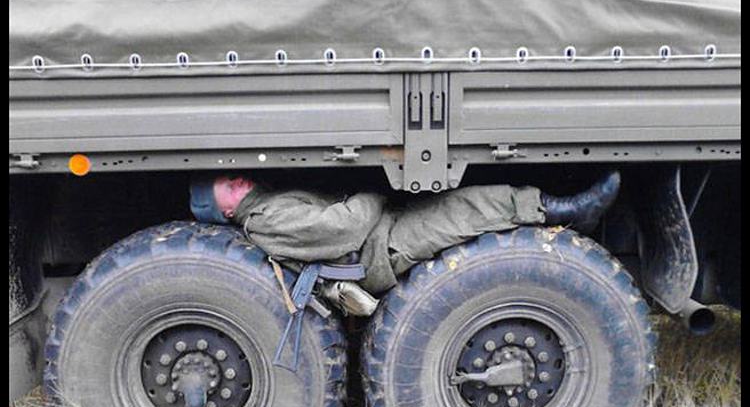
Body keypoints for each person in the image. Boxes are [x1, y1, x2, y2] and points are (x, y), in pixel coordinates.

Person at [190, 171, 620, 313]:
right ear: (226, 211)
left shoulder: (266, 202)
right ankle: (560, 212)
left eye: (231, 175)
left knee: (461, 204)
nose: (236, 180)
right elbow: (345, 227)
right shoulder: (265, 218)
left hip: (380, 235)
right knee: (466, 207)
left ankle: (551, 209)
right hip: (380, 248)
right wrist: (373, 188)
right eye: (226, 187)